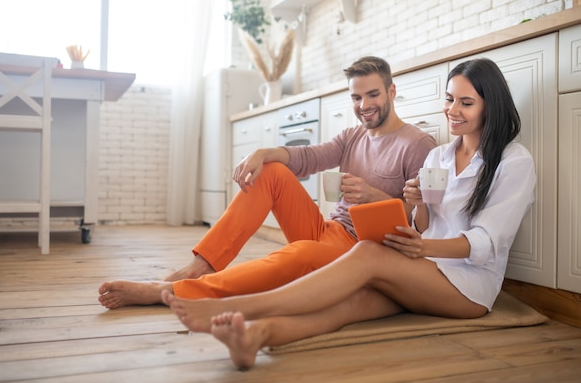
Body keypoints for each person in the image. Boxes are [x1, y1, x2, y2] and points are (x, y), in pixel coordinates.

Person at [162, 58, 537, 371]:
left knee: (366, 254)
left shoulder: (513, 162)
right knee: (347, 307)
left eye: (465, 103)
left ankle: (235, 306)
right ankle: (255, 336)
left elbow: (487, 244)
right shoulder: (439, 156)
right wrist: (420, 205)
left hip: (468, 286)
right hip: (422, 267)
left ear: (491, 105)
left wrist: (421, 248)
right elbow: (423, 224)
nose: (452, 111)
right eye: (449, 99)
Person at [98, 56, 436, 309]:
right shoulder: (352, 136)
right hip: (329, 231)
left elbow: (424, 221)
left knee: (298, 253)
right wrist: (264, 152)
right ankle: (198, 268)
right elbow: (308, 157)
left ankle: (172, 292)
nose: (363, 106)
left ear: (391, 91)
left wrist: (373, 196)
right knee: (273, 170)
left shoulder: (417, 144)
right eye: (355, 98)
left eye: (372, 95)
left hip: (364, 249)